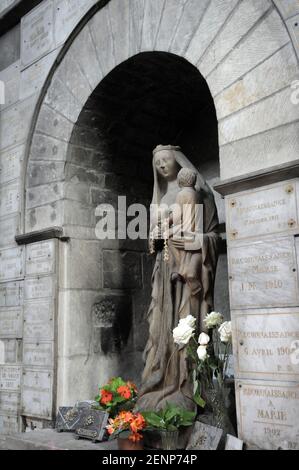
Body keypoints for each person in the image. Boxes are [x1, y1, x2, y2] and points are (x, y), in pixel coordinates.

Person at [137, 145, 220, 412]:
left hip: (188, 269)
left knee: (187, 324)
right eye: (157, 163)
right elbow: (155, 235)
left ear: (178, 162)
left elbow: (212, 236)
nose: (162, 166)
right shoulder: (160, 196)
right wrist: (157, 237)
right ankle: (162, 380)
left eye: (166, 160)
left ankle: (186, 385)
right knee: (160, 325)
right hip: (164, 269)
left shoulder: (198, 193)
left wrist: (195, 242)